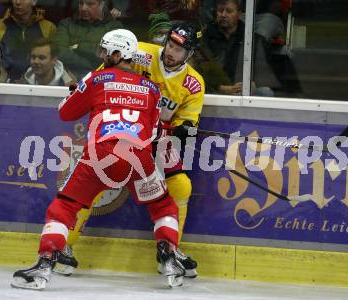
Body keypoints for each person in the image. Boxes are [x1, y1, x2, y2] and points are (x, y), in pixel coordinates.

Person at [11, 29, 185, 290]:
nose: (102, 55)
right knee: (163, 206)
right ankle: (169, 256)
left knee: (64, 206)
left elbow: (66, 113)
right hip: (139, 158)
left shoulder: (97, 78)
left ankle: (44, 265)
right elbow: (154, 131)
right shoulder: (151, 88)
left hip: (100, 156)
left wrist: (77, 94)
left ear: (119, 54)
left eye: (106, 51)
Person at [55, 21, 205, 279]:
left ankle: (169, 250)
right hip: (124, 128)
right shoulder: (142, 53)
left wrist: (184, 128)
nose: (170, 52)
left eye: (179, 50)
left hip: (159, 136)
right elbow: (106, 74)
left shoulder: (194, 83)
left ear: (190, 54)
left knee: (181, 186)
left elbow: (188, 119)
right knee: (89, 183)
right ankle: (64, 244)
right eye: (170, 45)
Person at [51, 0, 123, 79]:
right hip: (70, 78)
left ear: (101, 5)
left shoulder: (114, 27)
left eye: (90, 4)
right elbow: (58, 51)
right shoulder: (67, 24)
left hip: (104, 78)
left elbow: (113, 56)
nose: (83, 8)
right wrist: (86, 63)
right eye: (81, 3)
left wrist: (79, 47)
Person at [0, 0, 56, 81]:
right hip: (5, 84)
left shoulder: (49, 28)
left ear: (34, 2)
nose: (18, 2)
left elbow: (56, 60)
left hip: (38, 84)